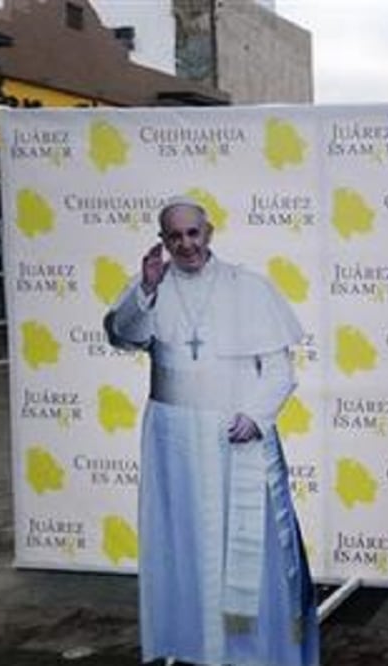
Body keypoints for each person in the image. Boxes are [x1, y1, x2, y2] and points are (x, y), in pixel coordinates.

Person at [104, 197, 319, 666]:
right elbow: (122, 335)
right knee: (182, 542)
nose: (186, 245)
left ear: (209, 232)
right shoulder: (151, 286)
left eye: (193, 233)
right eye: (174, 236)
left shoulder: (249, 286)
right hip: (173, 443)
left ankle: (252, 652)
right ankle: (191, 646)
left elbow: (281, 371)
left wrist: (257, 416)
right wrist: (145, 288)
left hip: (234, 439)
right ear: (163, 241)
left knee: (244, 548)